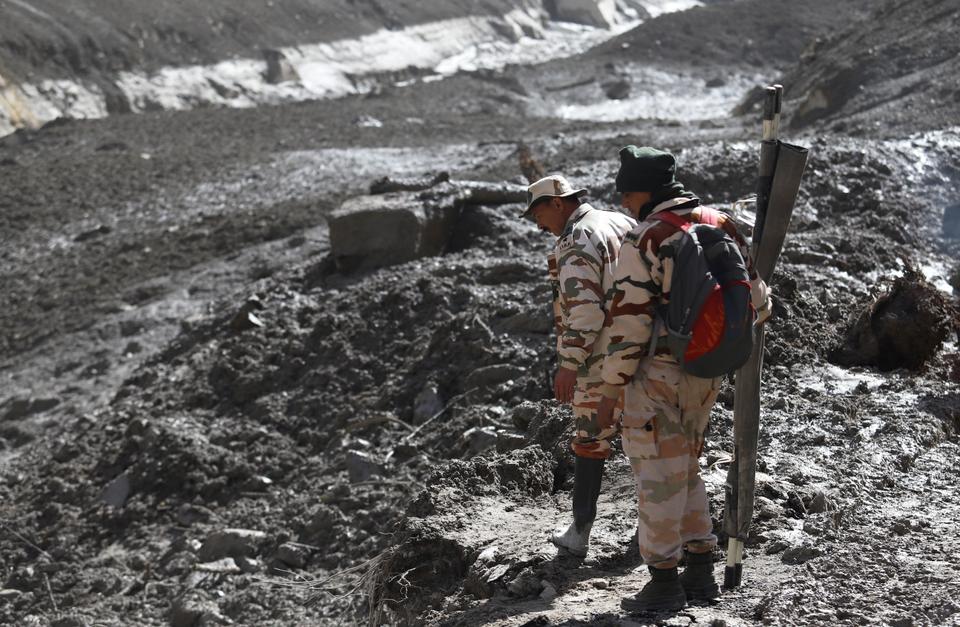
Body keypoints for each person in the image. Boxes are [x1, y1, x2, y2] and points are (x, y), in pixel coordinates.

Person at [595, 146, 771, 612]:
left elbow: (630, 327)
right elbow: (759, 301)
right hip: (705, 373)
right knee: (685, 467)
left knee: (657, 476)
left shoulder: (646, 237)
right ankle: (699, 571)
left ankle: (663, 584)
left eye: (628, 193)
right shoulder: (720, 223)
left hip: (657, 376)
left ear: (645, 191)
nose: (624, 203)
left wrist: (610, 389)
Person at [521, 174, 636, 557]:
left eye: (539, 215)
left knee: (590, 440)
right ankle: (654, 531)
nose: (539, 226)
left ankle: (580, 531)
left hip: (600, 360)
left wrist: (569, 364)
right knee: (644, 438)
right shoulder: (619, 221)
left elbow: (585, 312)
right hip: (641, 350)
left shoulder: (576, 239)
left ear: (557, 203)